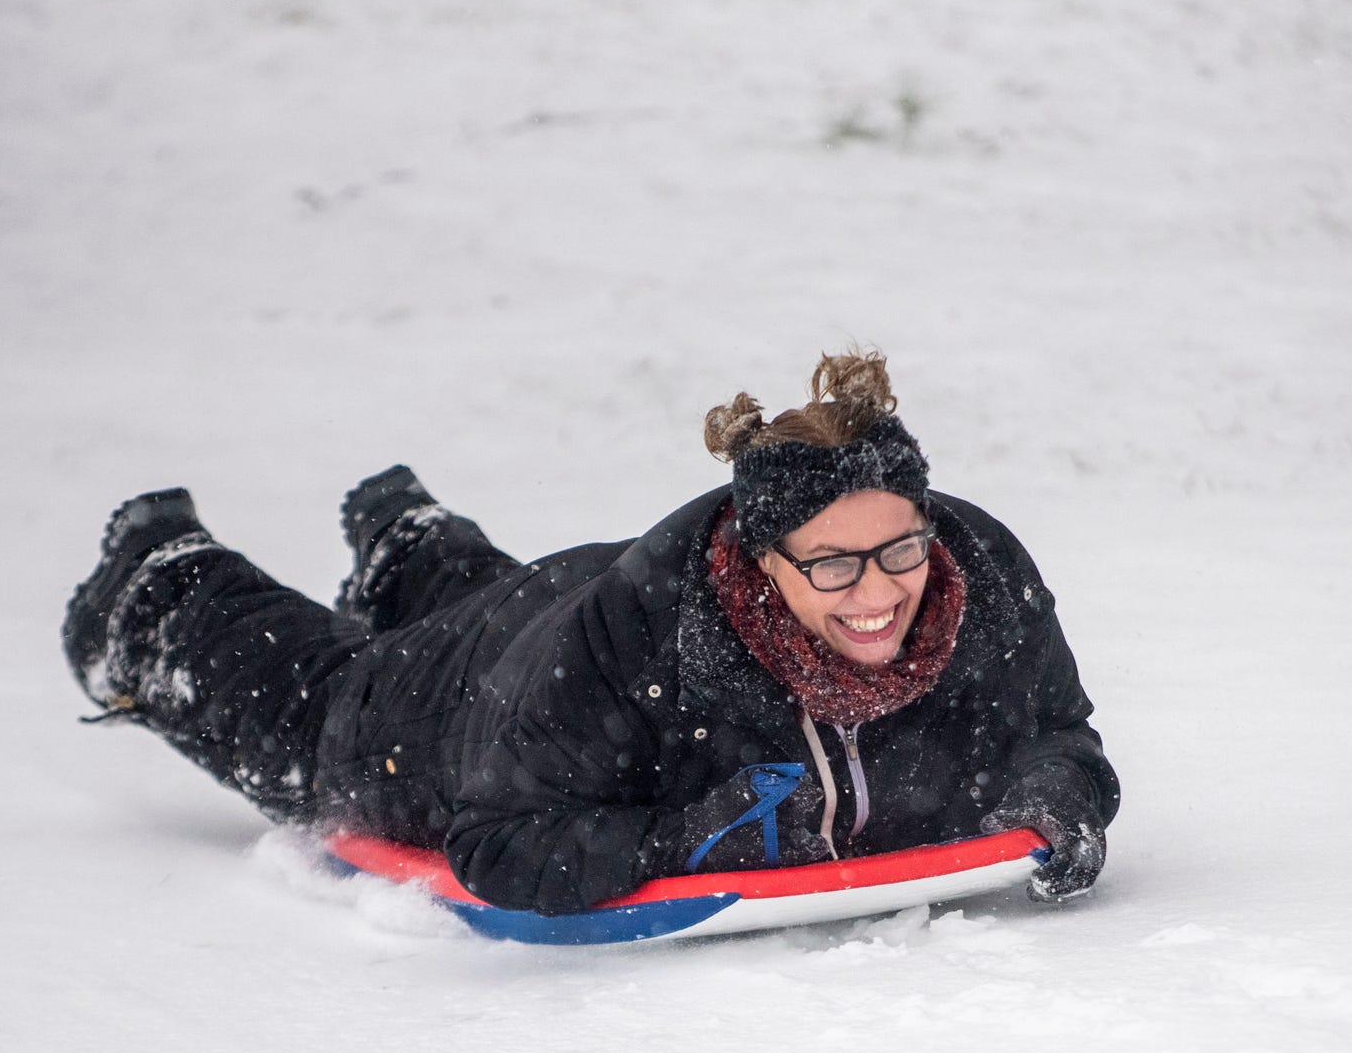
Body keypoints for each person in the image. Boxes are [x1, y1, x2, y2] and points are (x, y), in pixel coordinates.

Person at [62, 352, 1120, 915]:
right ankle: (157, 582)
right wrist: (684, 839)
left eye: (899, 549)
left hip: (560, 615)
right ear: (763, 561)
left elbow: (1059, 733)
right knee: (327, 707)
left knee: (499, 611)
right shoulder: (649, 640)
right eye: (833, 565)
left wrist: (1056, 801)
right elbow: (496, 843)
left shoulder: (980, 575)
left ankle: (408, 547)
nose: (878, 592)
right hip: (468, 705)